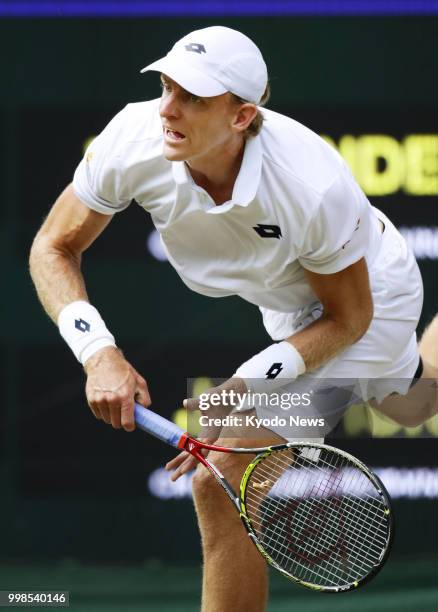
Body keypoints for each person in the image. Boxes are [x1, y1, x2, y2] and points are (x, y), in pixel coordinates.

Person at [29, 26, 438, 612]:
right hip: (290, 301)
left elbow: (348, 319)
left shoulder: (310, 186)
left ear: (242, 116)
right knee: (412, 403)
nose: (167, 109)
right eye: (166, 86)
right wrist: (99, 353)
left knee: (222, 477)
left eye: (192, 97)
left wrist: (248, 383)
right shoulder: (134, 136)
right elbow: (54, 246)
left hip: (369, 304)